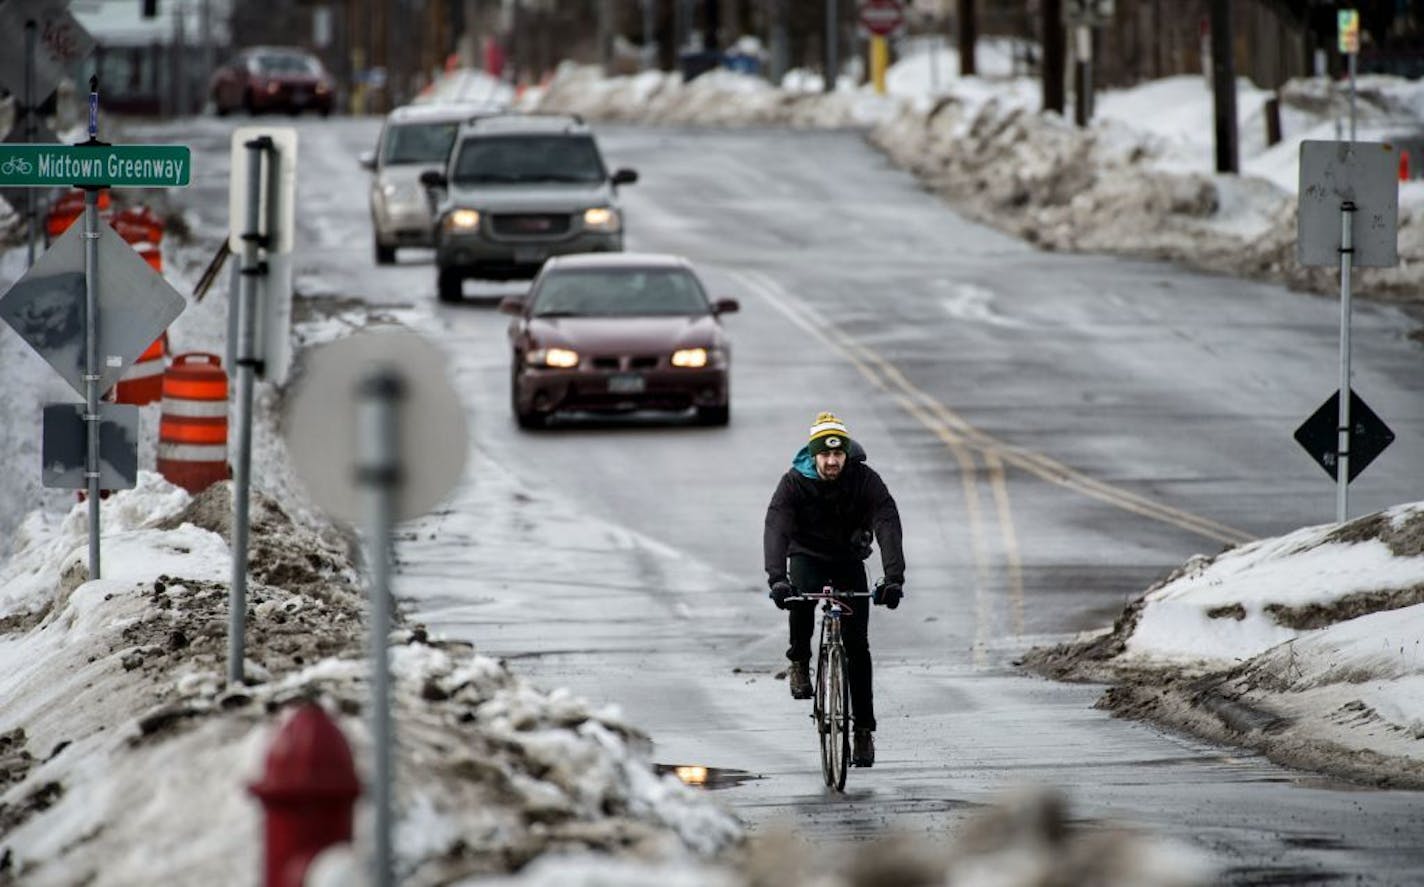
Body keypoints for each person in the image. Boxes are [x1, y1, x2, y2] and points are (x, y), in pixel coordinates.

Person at [763, 411, 905, 768]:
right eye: (824, 455)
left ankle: (863, 732)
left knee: (857, 646)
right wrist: (777, 578)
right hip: (807, 555)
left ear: (846, 454)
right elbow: (776, 527)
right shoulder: (793, 483)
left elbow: (887, 522)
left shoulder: (864, 480)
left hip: (847, 559)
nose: (831, 461)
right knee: (800, 598)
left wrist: (893, 579)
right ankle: (799, 658)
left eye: (837, 455)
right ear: (814, 455)